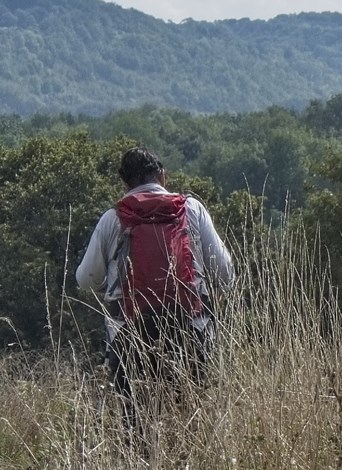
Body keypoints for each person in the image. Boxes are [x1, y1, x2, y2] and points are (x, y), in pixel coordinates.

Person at [71, 148, 234, 412]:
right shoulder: (191, 209)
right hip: (190, 332)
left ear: (125, 183)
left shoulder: (113, 219)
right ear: (163, 176)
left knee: (135, 427)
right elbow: (226, 272)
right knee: (190, 420)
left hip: (129, 337)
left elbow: (86, 279)